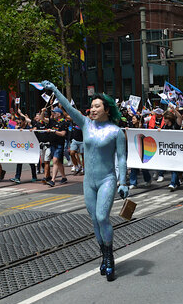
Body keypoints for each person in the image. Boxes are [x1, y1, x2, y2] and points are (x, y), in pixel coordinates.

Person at [42, 80, 128, 282]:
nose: (93, 109)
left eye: (98, 106)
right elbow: (69, 108)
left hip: (107, 179)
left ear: (107, 109)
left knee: (102, 217)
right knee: (94, 221)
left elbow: (122, 158)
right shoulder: (85, 124)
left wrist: (123, 182)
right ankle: (104, 254)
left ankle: (109, 258)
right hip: (88, 181)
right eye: (92, 106)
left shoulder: (116, 132)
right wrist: (55, 90)